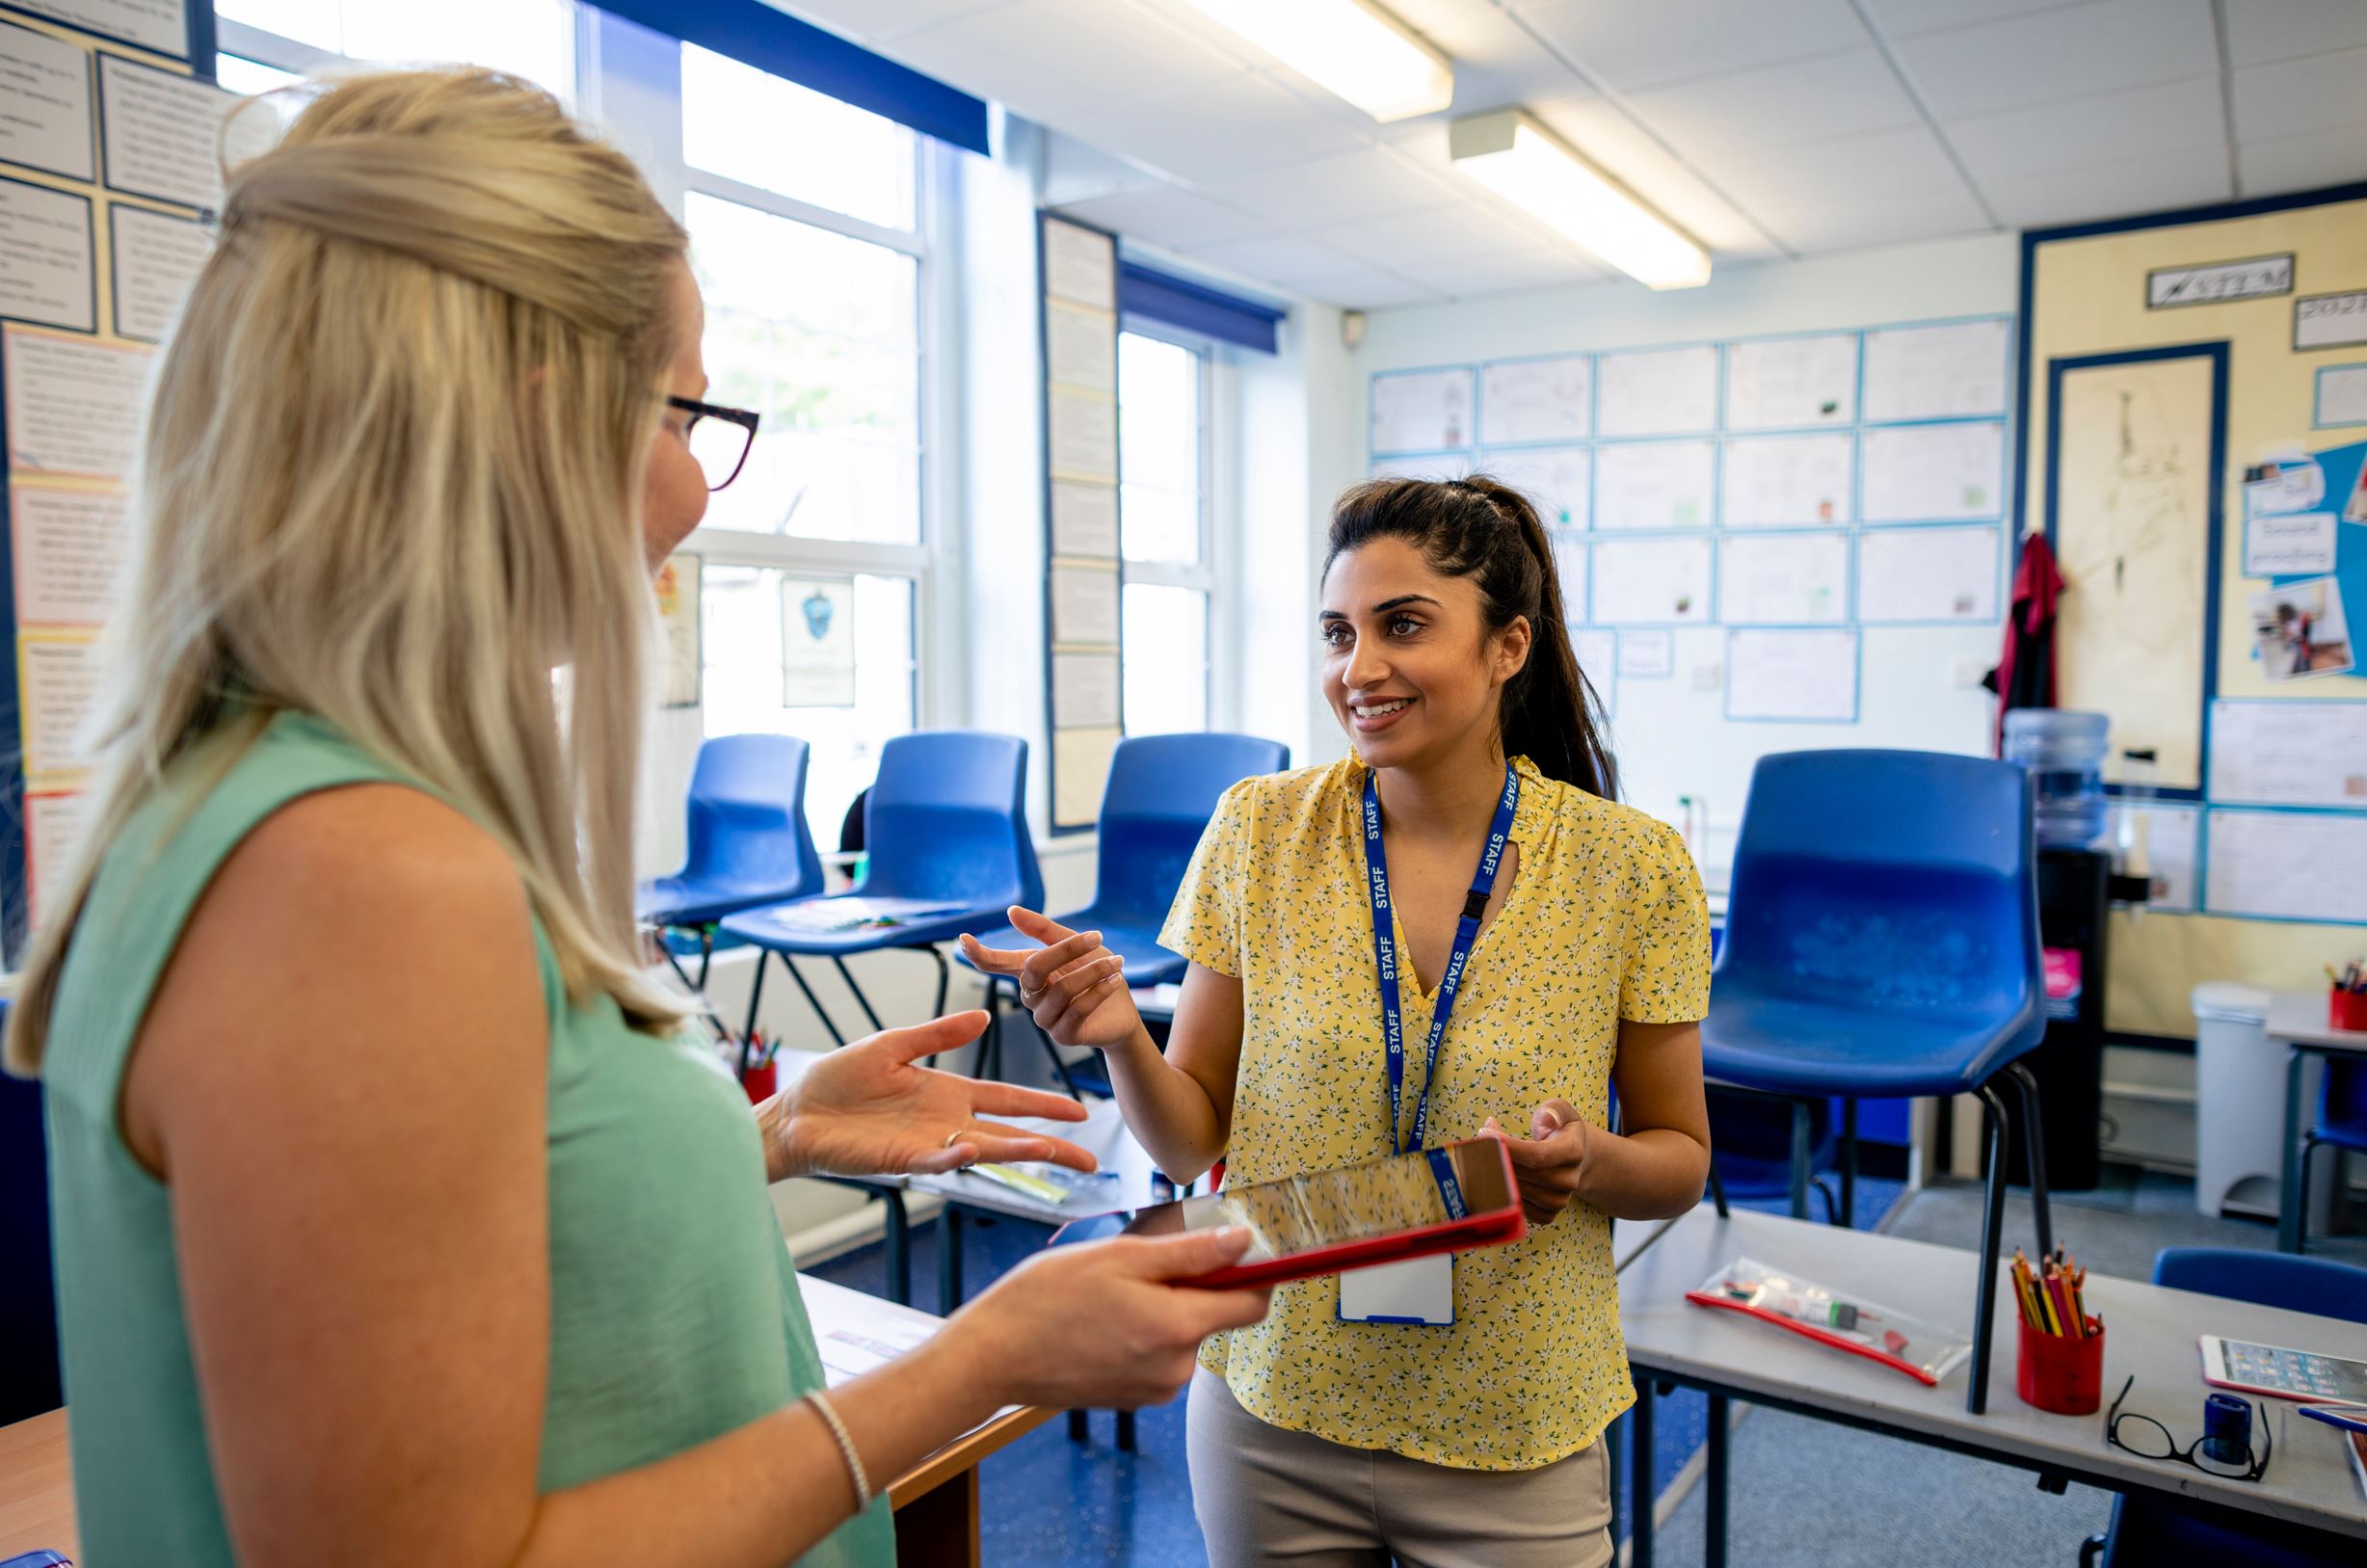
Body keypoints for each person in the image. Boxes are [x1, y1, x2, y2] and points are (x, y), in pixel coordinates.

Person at [6, 70, 1266, 1568]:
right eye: (687, 408)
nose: (695, 485)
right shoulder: (356, 875)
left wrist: (773, 1134)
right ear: (540, 418)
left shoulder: (257, 806)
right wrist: (983, 1357)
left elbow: (438, 1259)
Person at [968, 474, 1715, 1567]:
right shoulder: (1260, 830)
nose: (1356, 670)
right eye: (1336, 632)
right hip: (1273, 1398)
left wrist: (1589, 1158)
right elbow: (1189, 1139)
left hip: (1511, 1420)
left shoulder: (1625, 864)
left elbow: (1679, 1156)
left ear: (1507, 647)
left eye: (1400, 625)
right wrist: (1121, 1032)